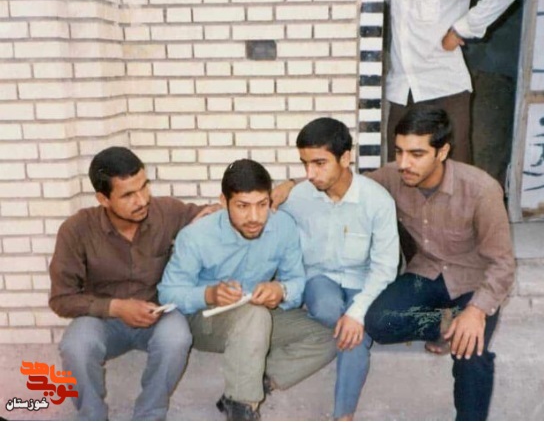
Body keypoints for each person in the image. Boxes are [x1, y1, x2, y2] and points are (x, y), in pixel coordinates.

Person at [364, 104, 515, 420]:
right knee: (378, 321)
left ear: (442, 151)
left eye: (416, 154)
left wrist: (476, 312)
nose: (404, 163)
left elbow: (502, 264)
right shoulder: (394, 176)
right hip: (426, 273)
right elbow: (348, 185)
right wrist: (289, 187)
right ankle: (445, 325)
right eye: (399, 151)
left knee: (471, 352)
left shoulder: (481, 190)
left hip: (473, 282)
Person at [157, 159, 336, 421]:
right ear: (223, 201)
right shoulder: (196, 236)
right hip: (207, 320)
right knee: (255, 316)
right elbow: (168, 293)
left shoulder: (283, 226)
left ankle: (247, 385)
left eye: (262, 205)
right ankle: (243, 409)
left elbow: (297, 281)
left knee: (331, 335)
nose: (254, 217)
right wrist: (209, 294)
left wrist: (281, 290)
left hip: (258, 314)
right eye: (242, 206)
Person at [49, 146, 216, 420]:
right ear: (103, 199)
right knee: (75, 347)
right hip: (101, 319)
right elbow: (61, 299)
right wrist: (116, 307)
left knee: (177, 338)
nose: (141, 200)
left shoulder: (166, 211)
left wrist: (276, 194)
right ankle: (91, 415)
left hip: (157, 314)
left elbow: (215, 213)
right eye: (128, 195)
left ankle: (150, 413)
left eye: (144, 187)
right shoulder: (76, 230)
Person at [280, 118, 399, 421]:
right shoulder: (298, 197)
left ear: (345, 158)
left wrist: (357, 312)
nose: (310, 173)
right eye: (305, 163)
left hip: (363, 281)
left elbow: (386, 267)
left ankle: (342, 416)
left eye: (319, 163)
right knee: (328, 308)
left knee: (354, 329)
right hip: (319, 278)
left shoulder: (377, 201)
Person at [385, 0, 516, 164]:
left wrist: (461, 30)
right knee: (399, 171)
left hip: (445, 88)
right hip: (402, 89)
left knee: (455, 173)